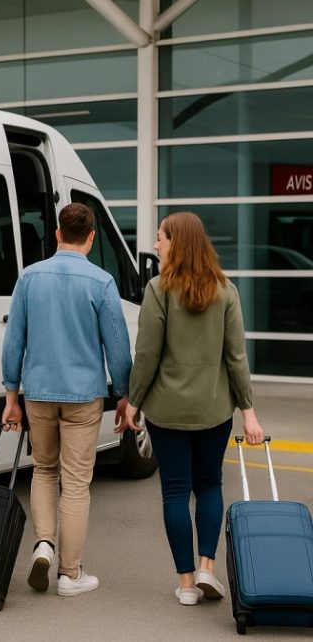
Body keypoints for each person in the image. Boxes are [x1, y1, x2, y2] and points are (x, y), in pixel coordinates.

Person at [116, 212, 264, 606]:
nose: (156, 244)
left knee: (176, 492)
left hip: (167, 412)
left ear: (176, 242)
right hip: (214, 410)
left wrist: (133, 401)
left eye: (161, 237)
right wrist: (248, 411)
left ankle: (185, 584)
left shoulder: (158, 289)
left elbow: (146, 354)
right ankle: (206, 567)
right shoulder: (225, 289)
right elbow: (236, 357)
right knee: (210, 485)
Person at [0, 203, 132, 597]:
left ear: (57, 234)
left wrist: (11, 396)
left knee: (44, 470)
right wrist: (124, 395)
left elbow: (13, 342)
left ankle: (44, 544)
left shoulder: (29, 278)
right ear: (91, 238)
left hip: (39, 393)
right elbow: (118, 347)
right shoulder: (101, 282)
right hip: (83, 396)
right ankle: (70, 575)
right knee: (75, 482)